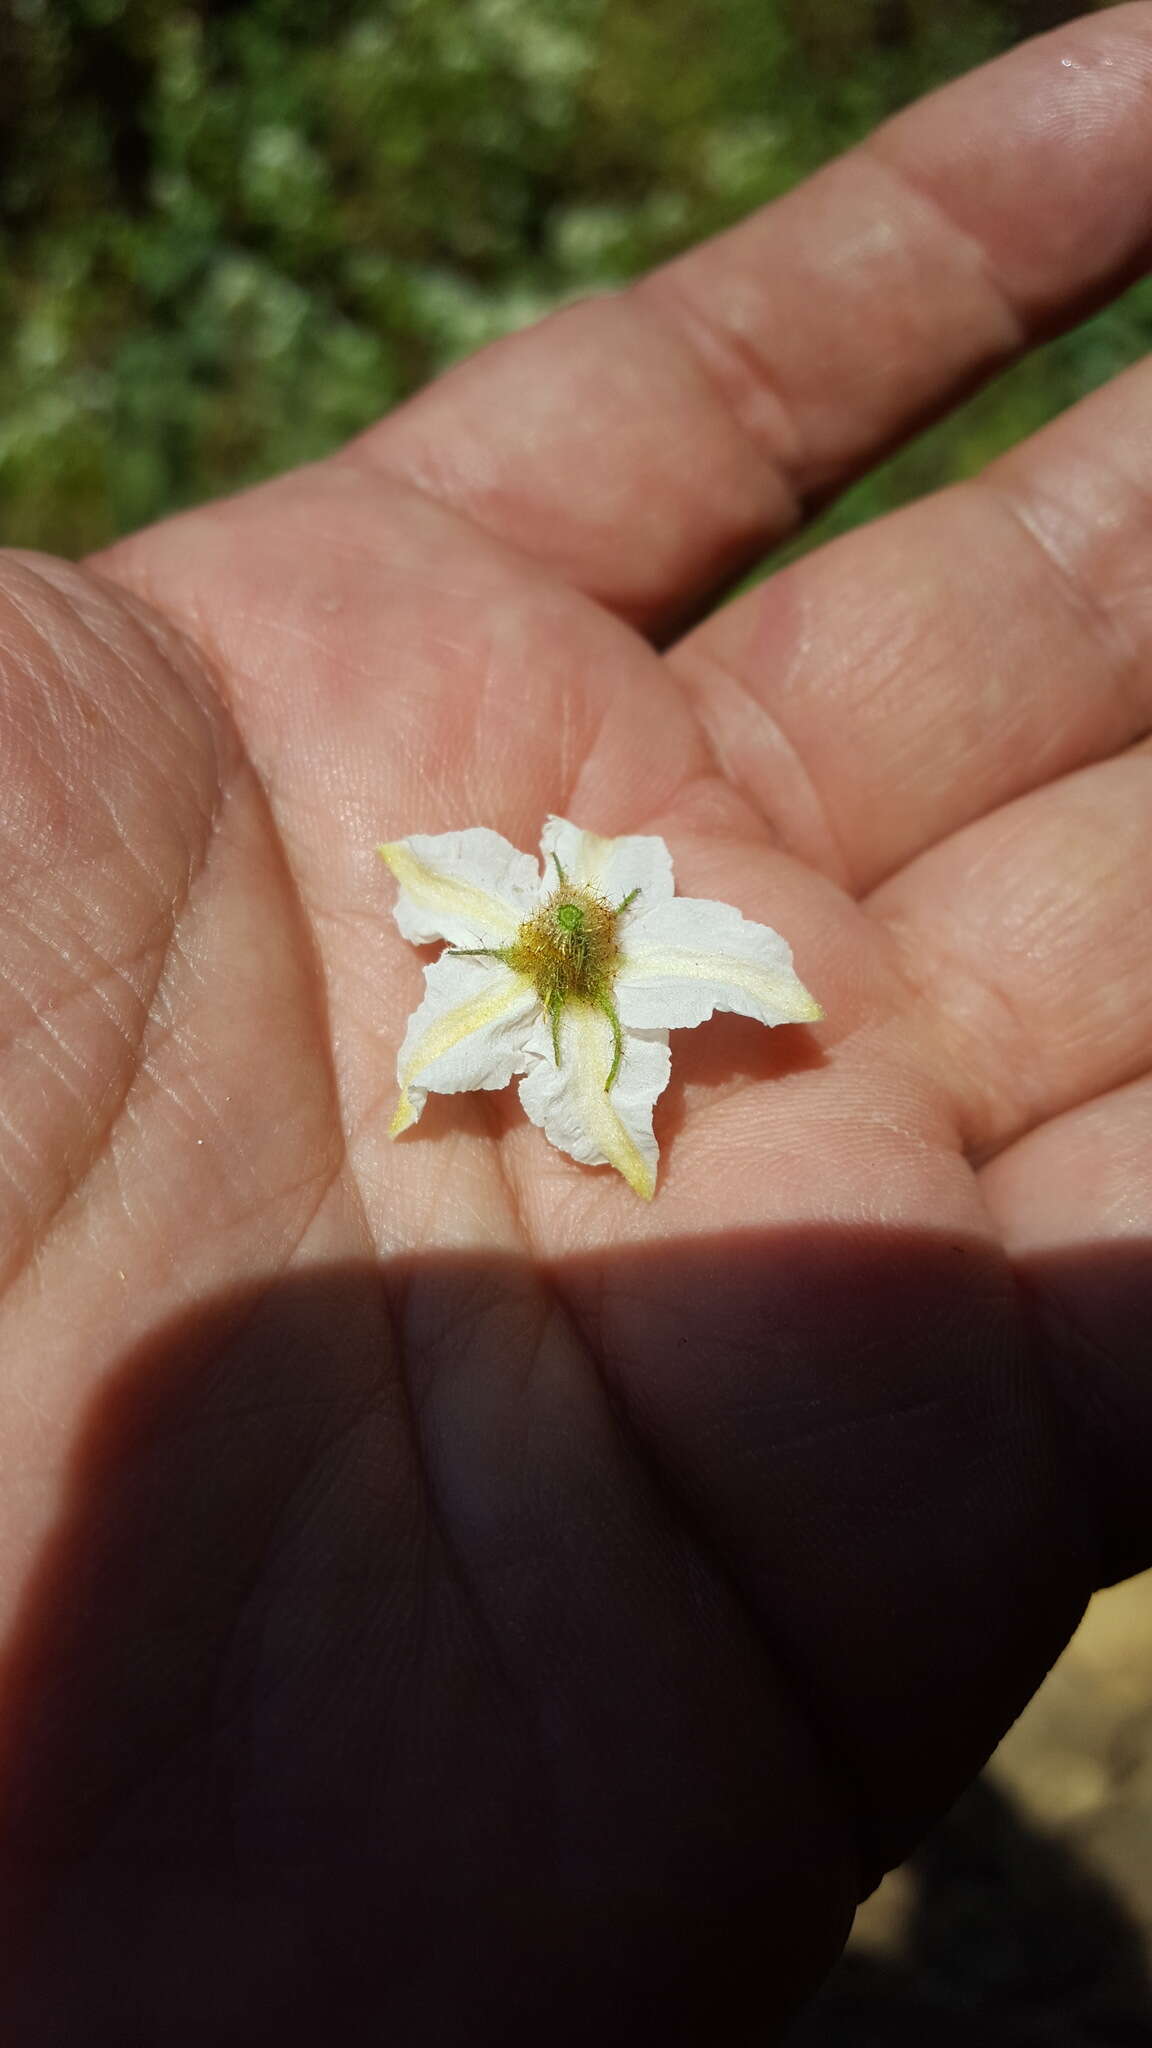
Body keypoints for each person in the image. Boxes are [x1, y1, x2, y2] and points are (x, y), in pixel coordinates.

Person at [2, 6, 1151, 2039]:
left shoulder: (606, 955)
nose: (550, 958)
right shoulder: (501, 954)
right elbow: (499, 975)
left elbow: (607, 1000)